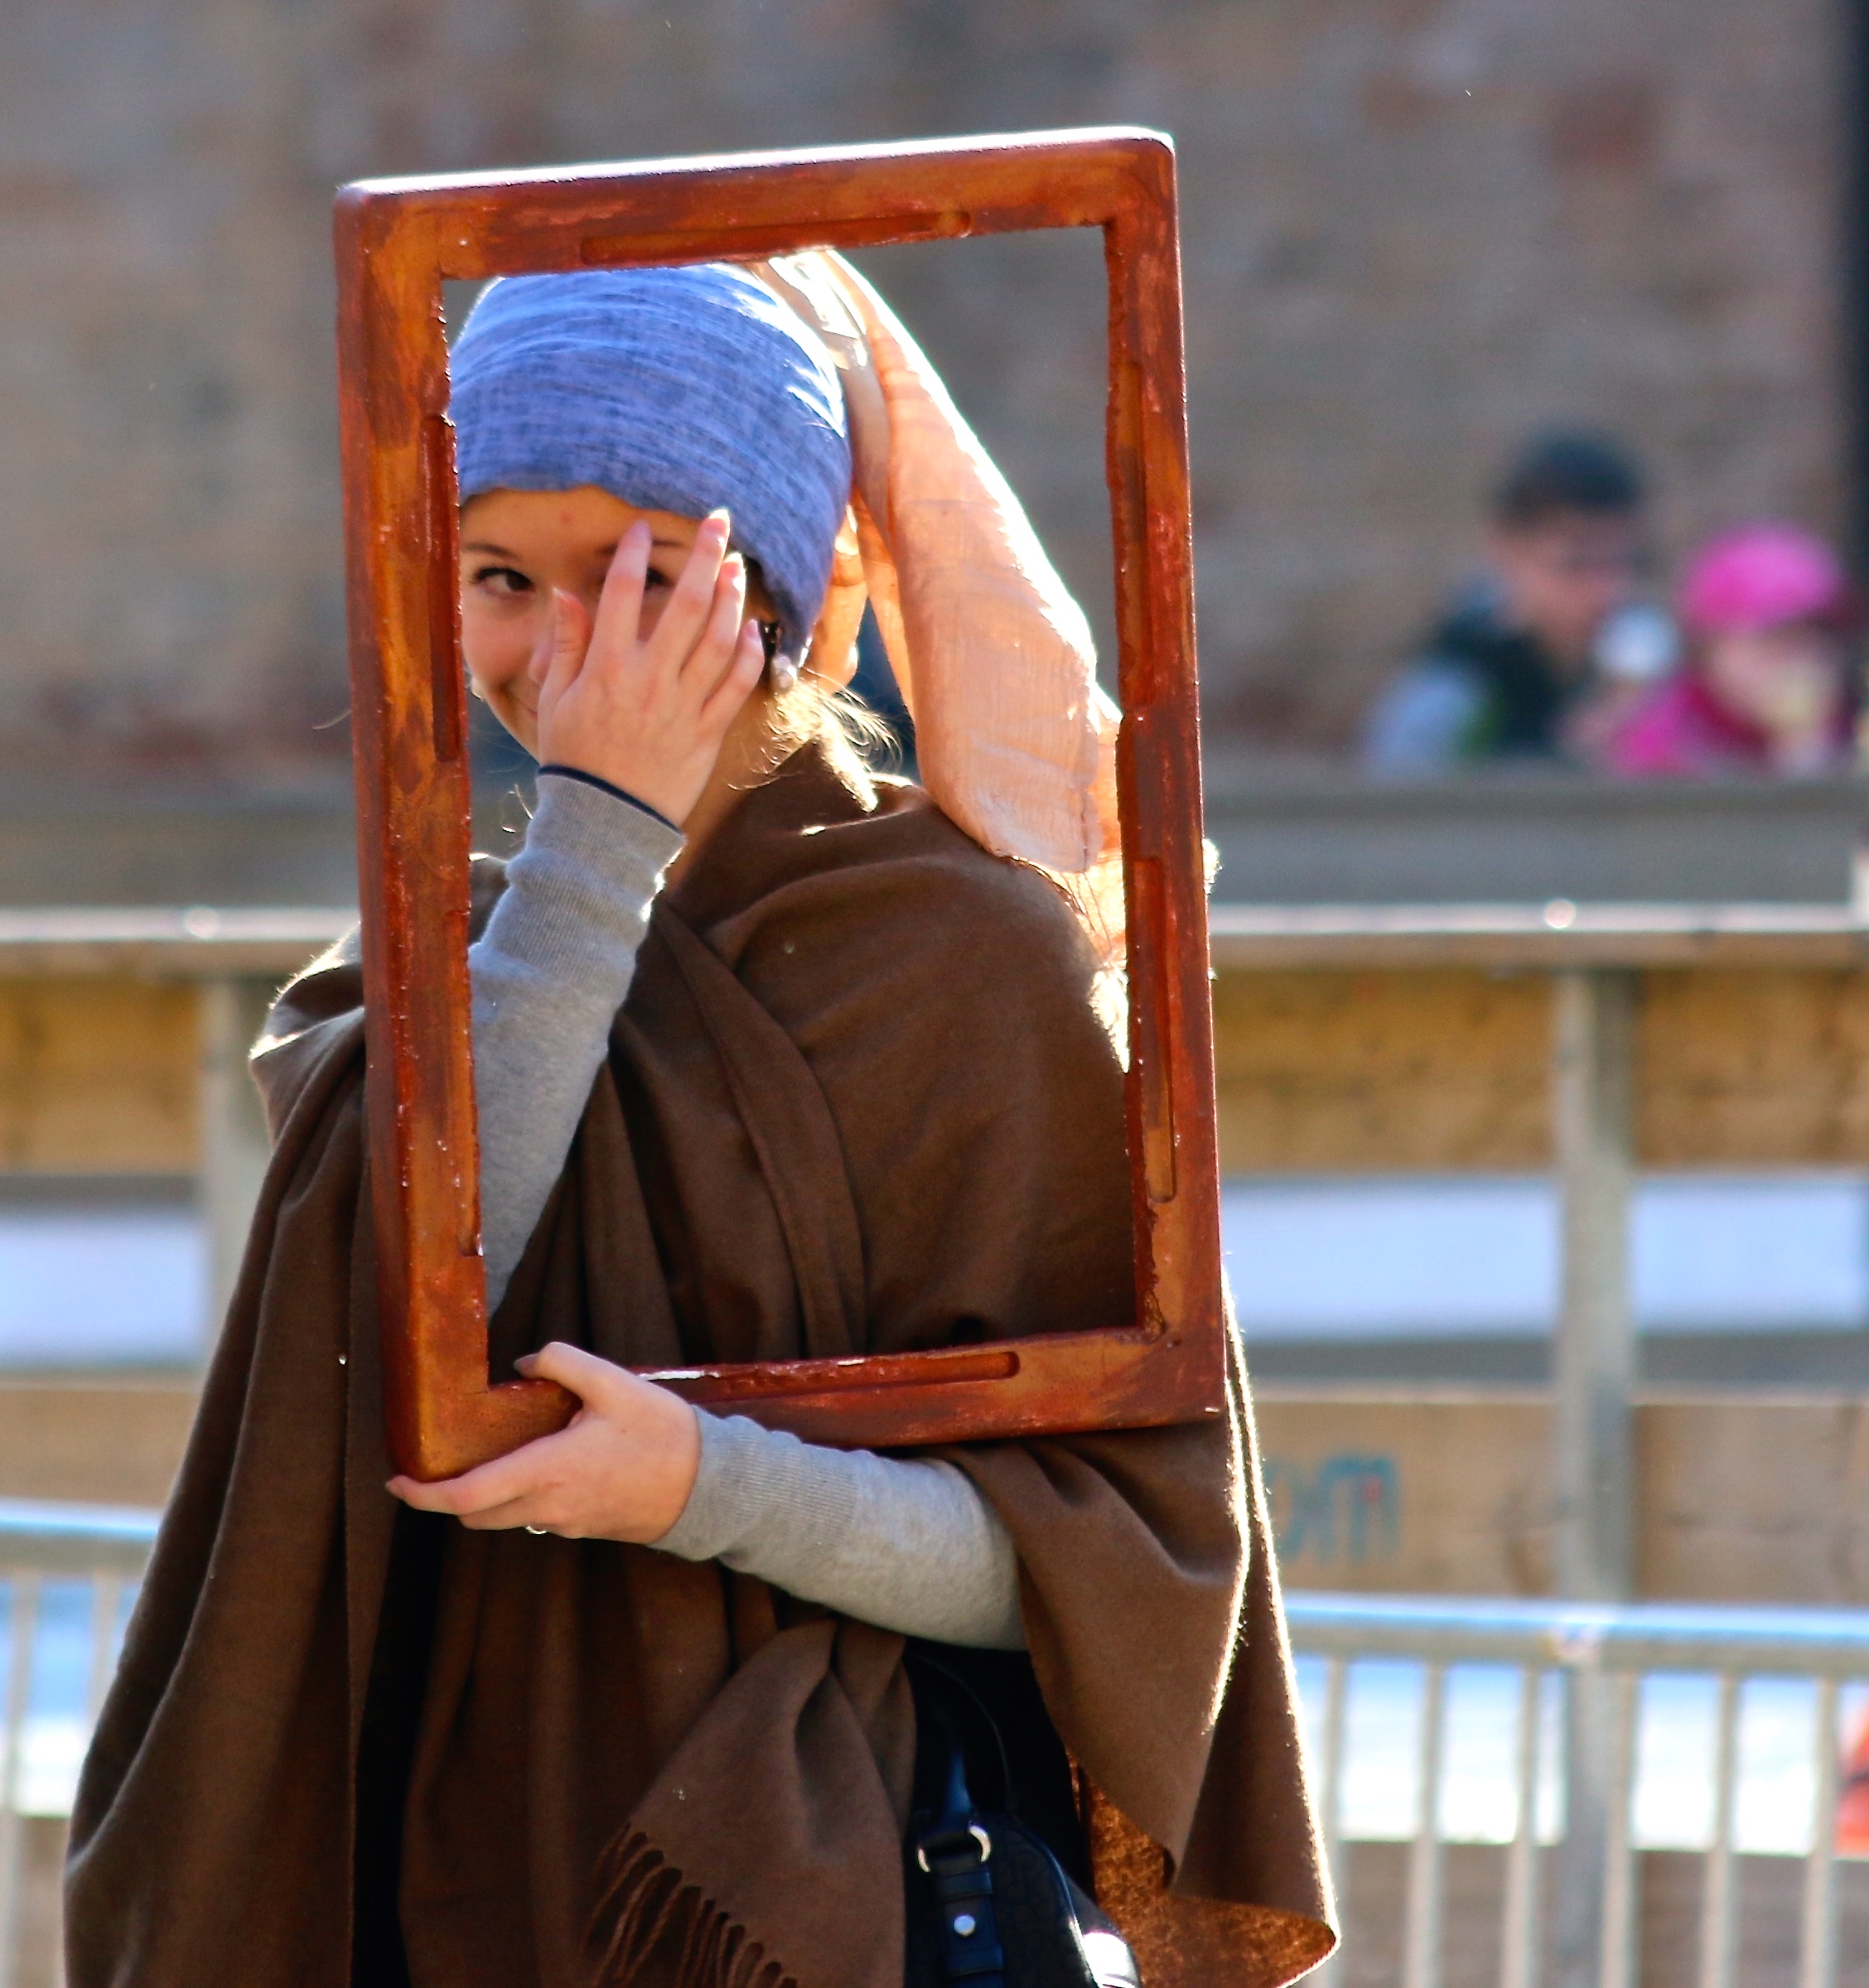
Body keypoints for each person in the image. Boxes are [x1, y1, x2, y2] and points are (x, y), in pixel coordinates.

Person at [67, 257, 1331, 1988]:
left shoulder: (969, 959)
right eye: (501, 578)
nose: (568, 648)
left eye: (647, 577)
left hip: (827, 1897)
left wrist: (707, 1488)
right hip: (463, 1870)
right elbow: (405, 1312)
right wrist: (599, 842)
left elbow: (1129, 1562)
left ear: (787, 599)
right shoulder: (442, 961)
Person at [1362, 428, 1652, 770]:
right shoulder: (1453, 696)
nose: (1606, 591)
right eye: (1576, 564)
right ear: (1507, 548)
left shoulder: (1648, 678)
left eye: (1622, 563)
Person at [1602, 524, 1857, 779]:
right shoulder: (1662, 742)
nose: (1800, 659)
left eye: (1820, 637)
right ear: (1710, 648)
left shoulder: (1851, 727)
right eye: (1777, 639)